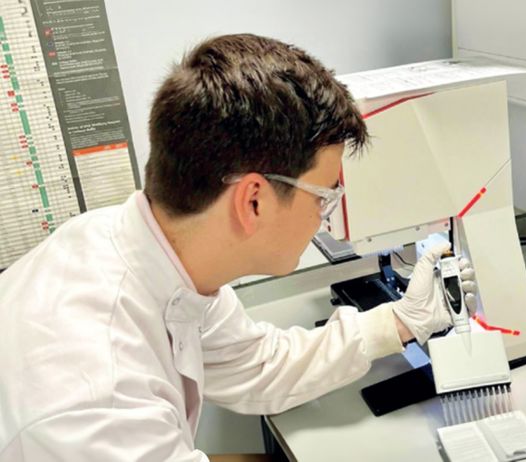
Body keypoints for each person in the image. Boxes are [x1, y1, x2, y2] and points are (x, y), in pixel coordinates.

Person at [0, 34, 455, 461]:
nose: (328, 216)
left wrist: (398, 321)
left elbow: (257, 364)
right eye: (325, 196)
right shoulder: (102, 404)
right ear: (253, 200)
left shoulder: (146, 251)